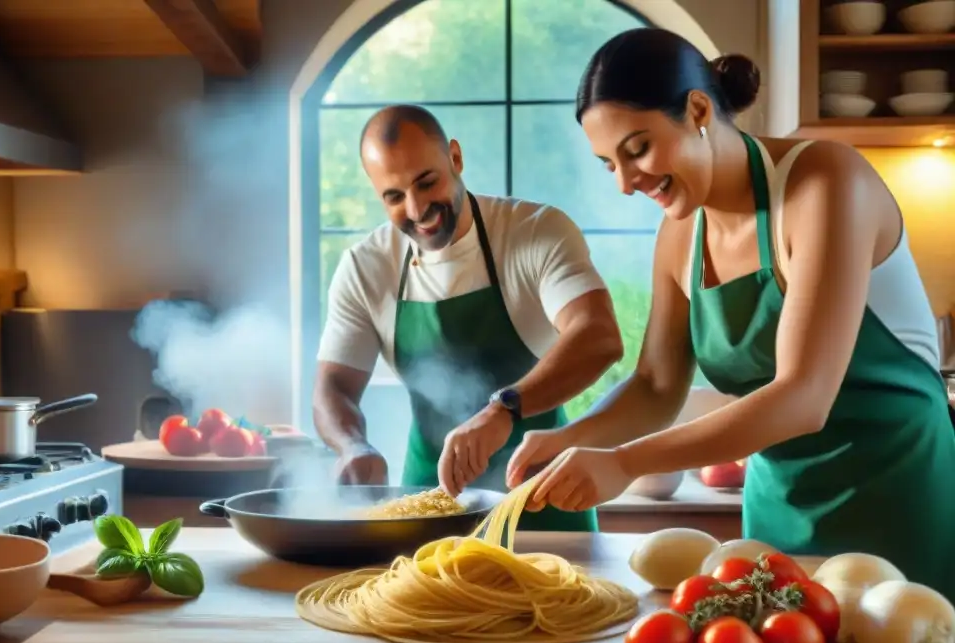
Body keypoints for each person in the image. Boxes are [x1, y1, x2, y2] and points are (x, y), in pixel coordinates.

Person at [508, 28, 955, 597]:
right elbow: (655, 385)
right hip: (778, 510)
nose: (625, 183)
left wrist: (623, 462)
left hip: (898, 495)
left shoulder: (825, 182)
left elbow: (803, 397)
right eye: (607, 164)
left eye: (637, 149)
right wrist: (570, 437)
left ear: (697, 110)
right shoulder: (679, 234)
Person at [313, 104, 624, 533]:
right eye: (394, 196)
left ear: (455, 158)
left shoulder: (533, 231)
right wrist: (351, 446)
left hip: (545, 498)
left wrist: (503, 409)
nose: (417, 208)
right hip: (429, 503)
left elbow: (599, 335)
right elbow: (334, 387)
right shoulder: (366, 267)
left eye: (427, 182)